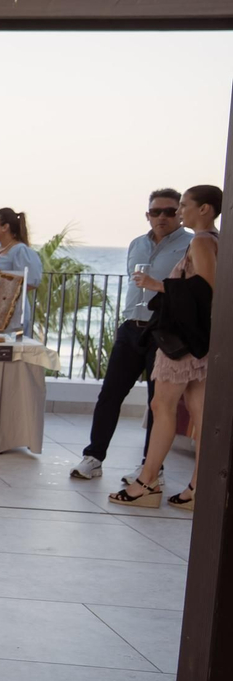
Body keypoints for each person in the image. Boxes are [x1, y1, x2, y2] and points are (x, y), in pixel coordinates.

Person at [110, 184, 221, 512]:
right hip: (200, 340)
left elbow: (206, 288)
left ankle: (146, 483)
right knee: (199, 411)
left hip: (181, 344)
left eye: (184, 206)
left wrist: (158, 285)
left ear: (204, 209)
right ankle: (198, 487)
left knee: (162, 405)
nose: (179, 211)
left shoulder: (201, 240)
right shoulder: (215, 240)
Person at [70, 189, 192, 481]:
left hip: (165, 332)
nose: (161, 217)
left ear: (180, 214)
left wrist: (157, 284)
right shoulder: (137, 244)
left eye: (169, 211)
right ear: (147, 215)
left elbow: (193, 290)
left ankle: (151, 468)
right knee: (109, 394)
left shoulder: (191, 244)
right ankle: (93, 457)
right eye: (155, 211)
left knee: (158, 403)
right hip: (131, 328)